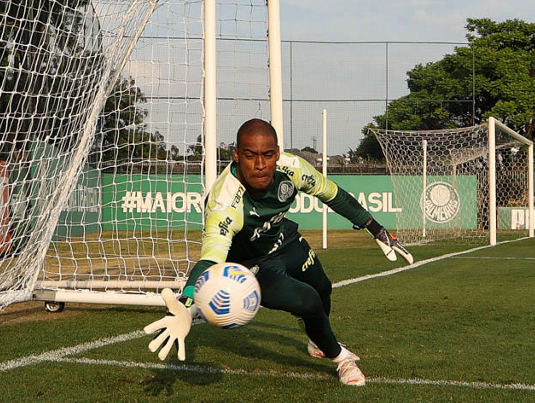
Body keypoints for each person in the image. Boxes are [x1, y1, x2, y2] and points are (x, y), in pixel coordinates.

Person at [144, 118, 414, 386]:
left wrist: (376, 229)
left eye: (267, 155)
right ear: (236, 155)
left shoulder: (293, 168)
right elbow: (209, 261)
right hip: (252, 264)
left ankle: (316, 340)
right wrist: (185, 304)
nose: (260, 164)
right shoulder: (224, 202)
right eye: (250, 155)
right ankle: (341, 359)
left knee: (323, 287)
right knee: (308, 300)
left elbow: (333, 194)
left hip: (285, 240)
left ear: (277, 153)